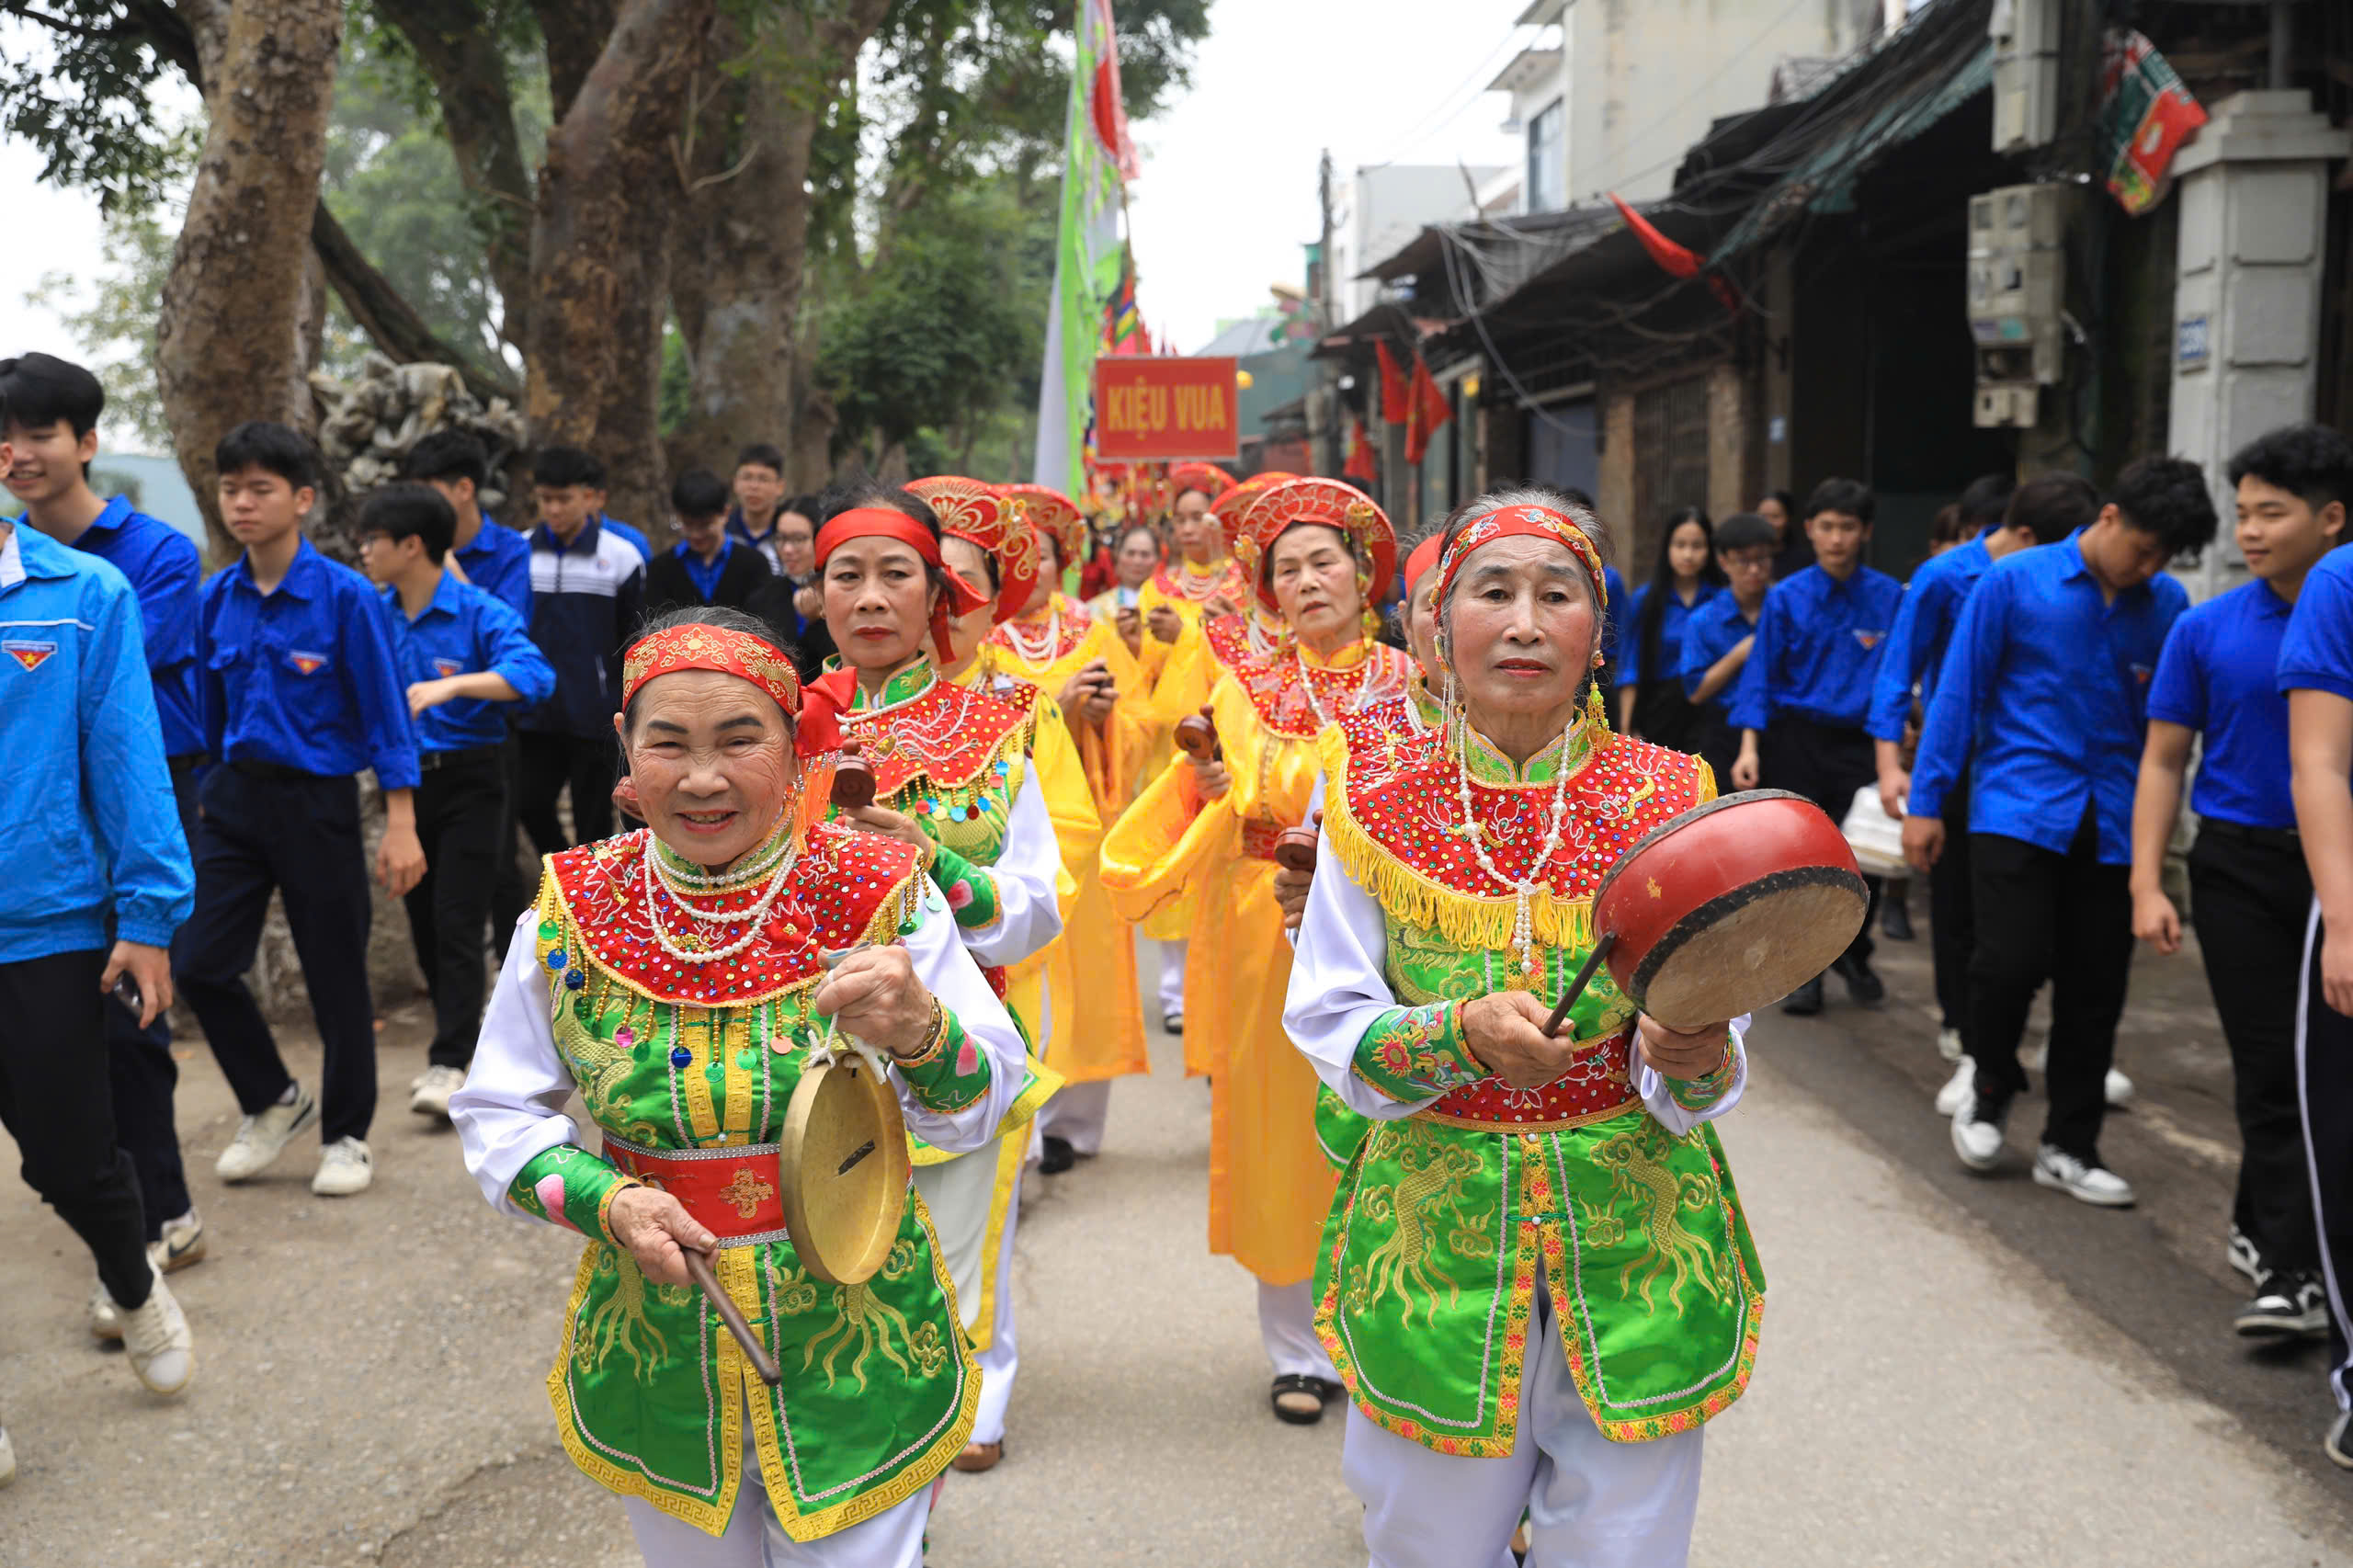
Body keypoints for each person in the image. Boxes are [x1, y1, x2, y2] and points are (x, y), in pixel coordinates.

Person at [450, 606, 1027, 1562]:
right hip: (657, 1335)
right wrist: (609, 1199)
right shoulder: (573, 908)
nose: (704, 777)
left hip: (858, 1324)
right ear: (625, 757)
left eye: (740, 738)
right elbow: (497, 1110)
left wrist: (922, 1029)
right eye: (667, 743)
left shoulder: (879, 887)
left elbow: (984, 1100)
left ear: (798, 746)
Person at [1283, 489, 1759, 1566]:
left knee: (1626, 1542)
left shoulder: (1669, 793)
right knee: (1428, 1538)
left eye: (1559, 595)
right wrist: (1454, 1034)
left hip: (1639, 1236)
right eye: (1492, 592)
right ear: (1438, 627)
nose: (1526, 622)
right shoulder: (1369, 793)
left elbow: (1711, 1029)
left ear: (1599, 632)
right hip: (1433, 1239)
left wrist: (1688, 1054)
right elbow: (1325, 1011)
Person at [1102, 476, 1415, 1427]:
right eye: (1287, 569)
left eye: (1325, 561)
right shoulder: (1244, 689)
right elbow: (1203, 798)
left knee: (1392, 1119)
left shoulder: (1413, 686)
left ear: (1364, 575)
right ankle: (1297, 1345)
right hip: (1264, 928)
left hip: (1393, 934)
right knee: (1284, 1128)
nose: (1308, 580)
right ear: (1266, 590)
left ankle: (1389, 1330)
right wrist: (1215, 789)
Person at [809, 481, 1067, 1475]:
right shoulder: (773, 724)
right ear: (817, 596)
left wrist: (940, 864)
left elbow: (1040, 904)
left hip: (949, 1039)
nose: (870, 597)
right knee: (820, 1275)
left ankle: (933, 1452)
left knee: (949, 1270)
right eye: (847, 575)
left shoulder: (997, 730)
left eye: (895, 574)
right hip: (795, 1050)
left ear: (937, 596)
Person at [1908, 456, 2216, 1208]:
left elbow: (2166, 730)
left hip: (2115, 822)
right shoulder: (2014, 582)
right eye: (2142, 546)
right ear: (2109, 517)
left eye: (2164, 557)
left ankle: (2070, 1145)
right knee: (2006, 964)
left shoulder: (2164, 603)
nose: (2149, 565)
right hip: (2016, 806)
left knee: (2095, 987)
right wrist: (1926, 800)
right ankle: (1989, 1087)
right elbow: (1960, 694)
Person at [0, 414, 199, 1455]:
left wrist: (150, 914)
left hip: (46, 925)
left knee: (70, 1159)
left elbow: (129, 761)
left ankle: (131, 1273)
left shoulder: (83, 594)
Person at [2135, 425, 2348, 1340]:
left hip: (2335, 869)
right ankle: (2292, 1270)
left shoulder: (2339, 607)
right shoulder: (2206, 626)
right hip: (2243, 867)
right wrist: (2148, 881)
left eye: (2273, 511)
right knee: (2271, 1064)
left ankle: (2267, 1224)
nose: (2250, 530)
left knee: (2320, 1075)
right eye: (2243, 512)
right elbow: (2161, 761)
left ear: (2331, 518)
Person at [176, 421, 425, 1199]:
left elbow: (387, 714)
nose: (241, 504)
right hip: (234, 800)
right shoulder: (216, 597)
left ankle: (346, 1135)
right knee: (199, 965)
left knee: (334, 975)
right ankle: (272, 1100)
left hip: (316, 804)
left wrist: (402, 821)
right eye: (229, 489)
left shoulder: (347, 598)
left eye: (260, 489)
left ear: (302, 500)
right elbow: (206, 715)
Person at [356, 484, 555, 1121]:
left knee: (459, 917)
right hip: (405, 785)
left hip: (475, 778)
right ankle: (463, 1043)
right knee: (421, 917)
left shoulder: (476, 609)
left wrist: (454, 687)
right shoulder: (371, 611)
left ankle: (450, 1060)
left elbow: (534, 675)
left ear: (412, 546)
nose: (363, 552)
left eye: (372, 541)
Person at [975, 482, 1154, 1170]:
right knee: (1021, 966)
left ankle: (1076, 1125)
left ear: (1058, 562)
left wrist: (1101, 720)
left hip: (1084, 818)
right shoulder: (981, 640)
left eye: (1042, 554)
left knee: (1092, 971)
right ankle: (1022, 1111)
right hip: (1007, 822)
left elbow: (1141, 720)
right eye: (1015, 555)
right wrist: (1059, 704)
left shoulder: (1093, 631)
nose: (1032, 566)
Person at [1870, 472, 2072, 1075]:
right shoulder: (1945, 576)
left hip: (2026, 767)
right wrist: (1889, 767)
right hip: (1954, 759)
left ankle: (2008, 1031)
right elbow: (1896, 670)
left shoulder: (2056, 580)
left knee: (2029, 912)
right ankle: (1962, 1024)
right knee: (1957, 904)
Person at [1729, 477, 1901, 1014]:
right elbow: (1760, 675)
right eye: (1826, 526)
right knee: (1802, 861)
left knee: (1862, 858)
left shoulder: (1891, 597)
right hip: (1795, 739)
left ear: (1865, 532)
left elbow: (1899, 679)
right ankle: (1804, 971)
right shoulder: (1786, 597)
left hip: (1860, 745)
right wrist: (1749, 748)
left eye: (1848, 527)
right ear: (1810, 530)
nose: (1837, 538)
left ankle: (1853, 950)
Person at [2279, 481, 2353, 1471]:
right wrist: (2341, 915)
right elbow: (2321, 762)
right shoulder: (2340, 582)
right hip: (2352, 896)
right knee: (2343, 1139)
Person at [402, 428, 538, 949]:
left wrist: (451, 579)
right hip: (421, 742)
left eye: (427, 489)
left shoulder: (507, 551)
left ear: (463, 489)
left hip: (488, 736)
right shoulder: (407, 547)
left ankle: (510, 980)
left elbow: (511, 637)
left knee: (499, 865)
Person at [518, 445, 645, 863]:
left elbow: (635, 639)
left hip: (597, 715)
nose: (553, 509)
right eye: (545, 499)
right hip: (534, 714)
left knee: (594, 818)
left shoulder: (623, 558)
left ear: (591, 498)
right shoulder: (520, 553)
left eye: (564, 498)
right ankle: (563, 872)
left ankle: (590, 897)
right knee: (529, 802)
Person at [1677, 511, 1778, 785]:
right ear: (1723, 561)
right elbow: (1696, 692)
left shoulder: (1786, 609)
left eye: (1762, 559)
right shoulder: (1703, 620)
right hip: (1722, 731)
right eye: (1743, 561)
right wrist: (1742, 653)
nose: (1754, 570)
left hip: (1781, 727)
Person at [1618, 504, 1725, 749]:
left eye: (1697, 546)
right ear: (1667, 547)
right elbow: (1630, 667)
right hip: (1659, 709)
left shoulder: (1721, 600)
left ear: (1710, 550)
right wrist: (1626, 728)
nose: (1688, 555)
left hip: (1711, 711)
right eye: (1680, 545)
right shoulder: (1646, 600)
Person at [400, 429, 532, 620]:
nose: (418, 504)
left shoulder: (511, 550)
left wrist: (454, 578)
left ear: (464, 489)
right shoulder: (411, 546)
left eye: (427, 493)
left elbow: (508, 628)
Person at [646, 466, 774, 615]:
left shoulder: (754, 565)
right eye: (687, 524)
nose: (696, 534)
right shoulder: (661, 568)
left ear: (725, 514)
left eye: (705, 525)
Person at [745, 494, 835, 680]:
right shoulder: (761, 599)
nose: (787, 549)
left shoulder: (839, 592)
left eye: (798, 539)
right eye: (781, 539)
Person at [1087, 521, 1165, 657]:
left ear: (1157, 559)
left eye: (1145, 554)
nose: (1137, 561)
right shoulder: (1095, 608)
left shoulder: (1168, 606)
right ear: (1118, 556)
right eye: (1130, 553)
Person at [724, 441, 790, 571]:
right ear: (735, 483)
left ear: (780, 487)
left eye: (763, 479)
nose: (754, 486)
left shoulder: (790, 534)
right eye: (747, 478)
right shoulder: (722, 532)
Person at [1756, 487, 1811, 578]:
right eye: (1763, 516)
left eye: (1775, 516)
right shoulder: (1745, 558)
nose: (1768, 523)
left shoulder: (1804, 562)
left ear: (1788, 519)